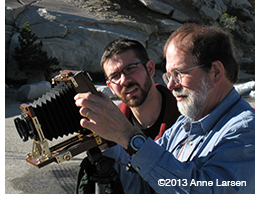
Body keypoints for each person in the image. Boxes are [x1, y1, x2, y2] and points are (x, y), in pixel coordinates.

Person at [74, 24, 255, 194]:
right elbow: (144, 185)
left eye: (179, 73)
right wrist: (107, 144)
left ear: (215, 72)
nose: (170, 85)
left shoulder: (246, 130)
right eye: (169, 75)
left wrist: (127, 135)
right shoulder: (185, 124)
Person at [75, 38, 180, 194]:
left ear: (150, 69)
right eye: (115, 76)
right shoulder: (108, 129)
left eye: (130, 69)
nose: (124, 80)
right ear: (110, 87)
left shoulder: (186, 119)